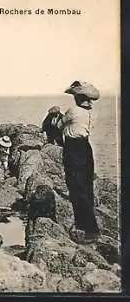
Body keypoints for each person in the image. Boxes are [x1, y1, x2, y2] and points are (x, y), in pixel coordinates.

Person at [57, 80, 100, 244]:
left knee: (75, 185)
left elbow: (60, 125)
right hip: (86, 147)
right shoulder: (91, 113)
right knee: (86, 185)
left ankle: (86, 228)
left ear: (78, 97)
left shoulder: (73, 110)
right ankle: (89, 225)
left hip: (73, 148)